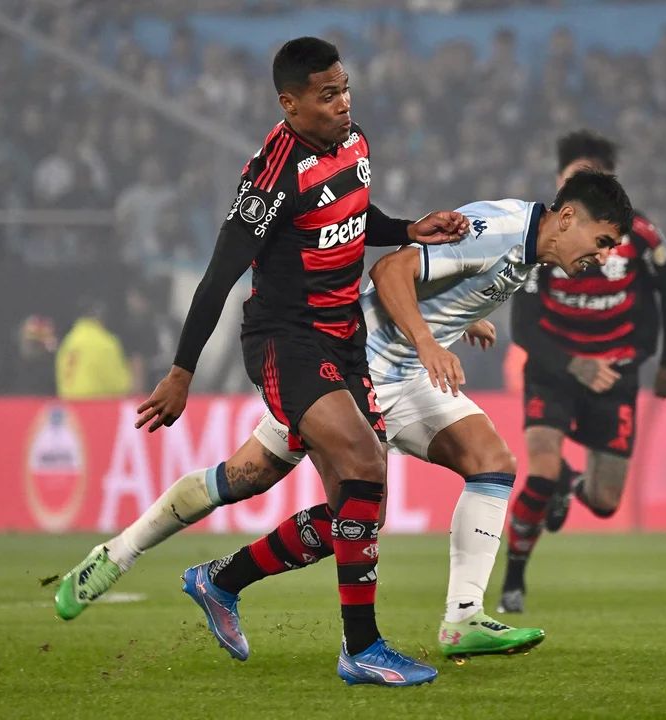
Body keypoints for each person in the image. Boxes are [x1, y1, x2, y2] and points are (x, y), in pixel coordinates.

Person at [53, 170, 631, 669]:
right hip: (359, 369)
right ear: (568, 217)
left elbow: (447, 280)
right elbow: (391, 272)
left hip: (406, 376)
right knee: (255, 482)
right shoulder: (500, 231)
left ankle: (464, 619)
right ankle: (136, 557)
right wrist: (430, 340)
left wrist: (461, 319)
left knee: (491, 464)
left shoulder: (530, 244)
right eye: (601, 241)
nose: (602, 256)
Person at [55, 37, 467, 688]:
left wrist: (410, 228)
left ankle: (221, 580)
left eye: (345, 88)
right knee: (363, 464)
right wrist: (182, 371)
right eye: (327, 95)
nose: (342, 103)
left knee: (355, 511)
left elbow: (356, 219)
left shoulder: (355, 142)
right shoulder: (273, 173)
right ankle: (361, 648)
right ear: (290, 103)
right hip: (286, 337)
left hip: (343, 337)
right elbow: (220, 273)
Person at [498, 130, 666, 614]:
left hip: (614, 374)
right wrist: (572, 364)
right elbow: (522, 325)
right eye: (571, 177)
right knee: (539, 466)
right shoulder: (539, 235)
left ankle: (572, 484)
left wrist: (665, 362)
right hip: (555, 370)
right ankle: (513, 581)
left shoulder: (638, 235)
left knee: (604, 501)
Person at [55, 298, 131, 400]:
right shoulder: (106, 342)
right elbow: (119, 385)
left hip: (69, 408)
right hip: (95, 407)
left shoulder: (68, 341)